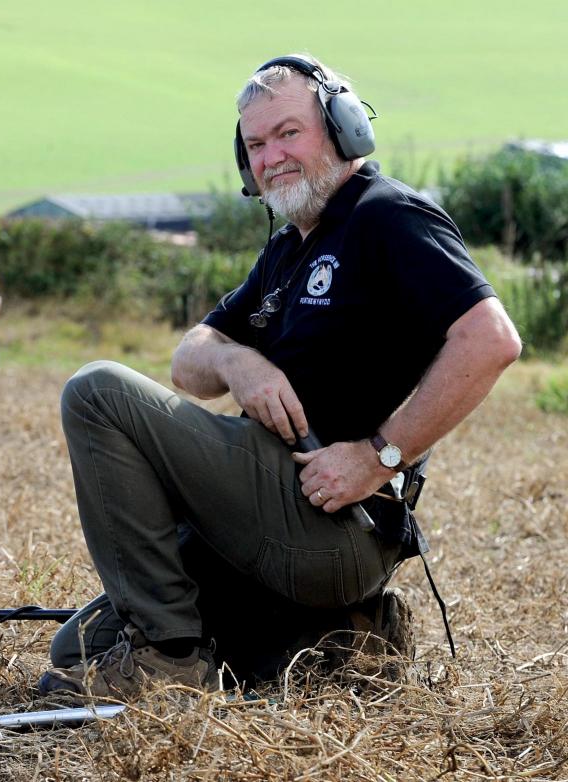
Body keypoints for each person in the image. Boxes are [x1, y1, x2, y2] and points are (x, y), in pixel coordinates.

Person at [37, 54, 522, 701]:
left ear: (342, 127)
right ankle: (342, 637)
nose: (271, 157)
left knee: (97, 390)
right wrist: (241, 360)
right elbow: (192, 362)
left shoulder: (387, 216)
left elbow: (490, 339)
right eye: (256, 144)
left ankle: (170, 660)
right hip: (270, 511)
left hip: (336, 521)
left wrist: (379, 456)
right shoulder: (289, 248)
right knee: (80, 651)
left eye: (288, 133)